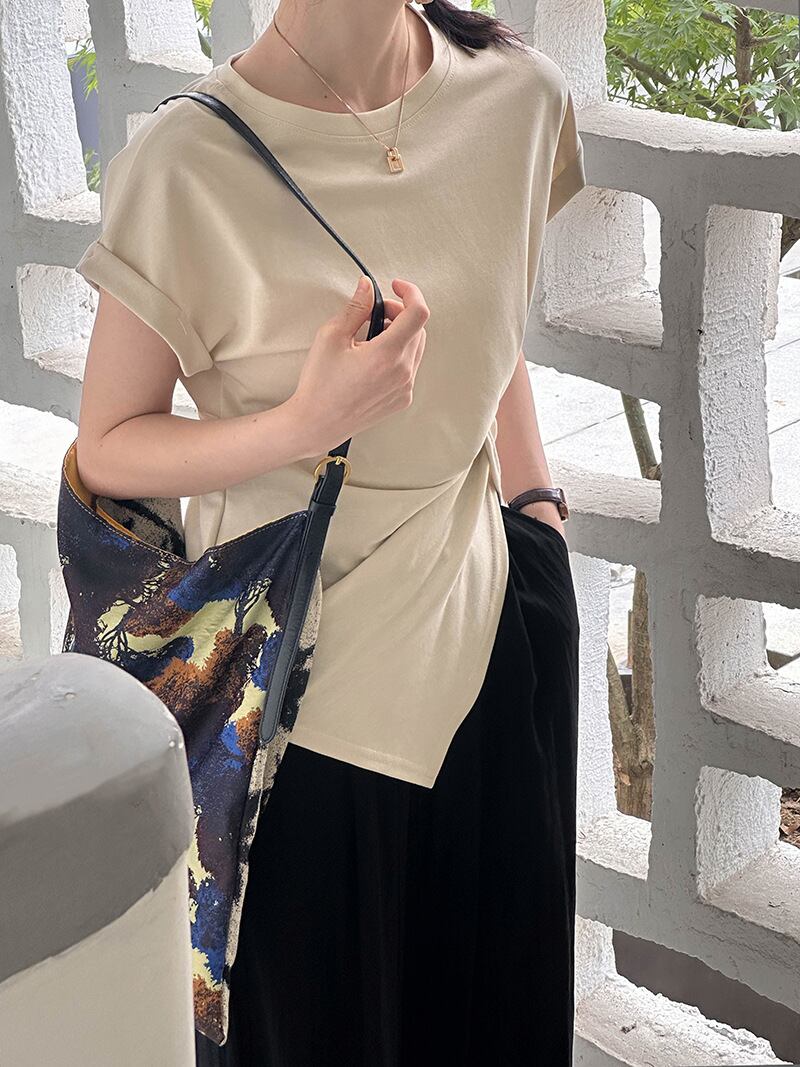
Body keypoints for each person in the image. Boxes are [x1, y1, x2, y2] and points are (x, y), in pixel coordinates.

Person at [74, 0, 585, 1062]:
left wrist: (536, 506)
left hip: (495, 651)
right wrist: (303, 425)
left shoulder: (521, 95)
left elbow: (488, 323)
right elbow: (109, 446)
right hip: (301, 713)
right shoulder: (186, 162)